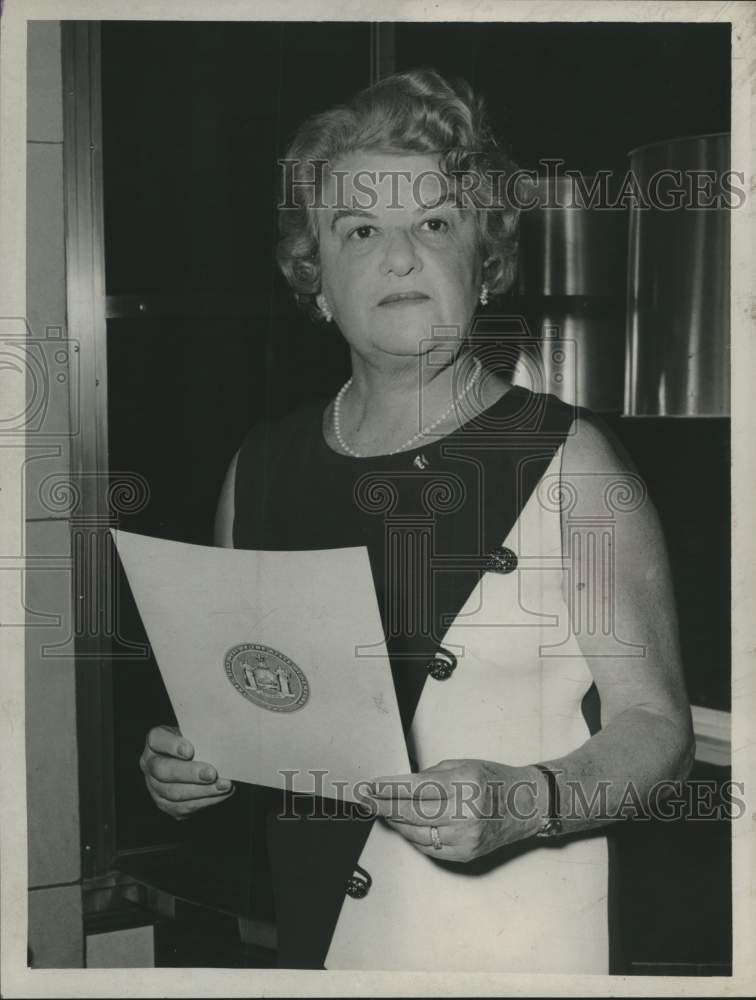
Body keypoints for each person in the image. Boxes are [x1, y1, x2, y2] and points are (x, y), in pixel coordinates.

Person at [139, 68, 693, 972]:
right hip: (322, 943)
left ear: (488, 258)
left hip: (517, 948)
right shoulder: (262, 469)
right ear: (315, 280)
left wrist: (524, 802)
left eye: (433, 224)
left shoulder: (573, 460)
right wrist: (186, 764)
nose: (399, 258)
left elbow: (658, 733)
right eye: (359, 231)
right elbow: (249, 707)